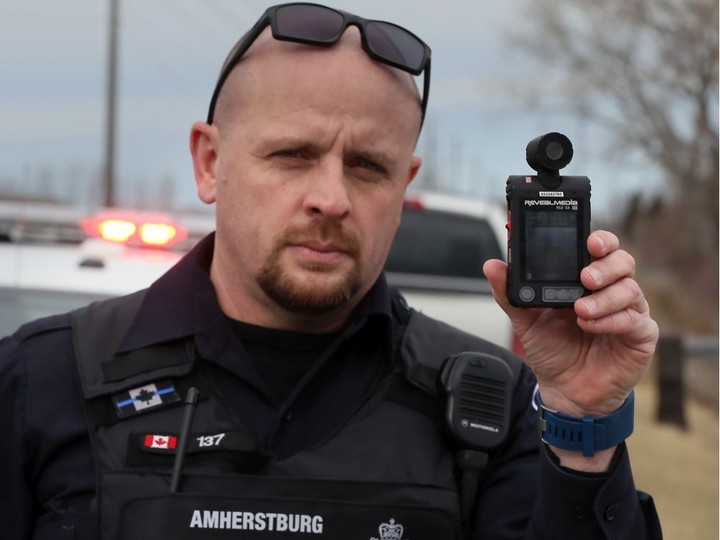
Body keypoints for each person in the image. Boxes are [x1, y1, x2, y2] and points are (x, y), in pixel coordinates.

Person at [0, 3, 662, 539]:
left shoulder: (492, 407)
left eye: (368, 167)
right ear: (209, 162)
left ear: (404, 186)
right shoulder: (42, 381)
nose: (332, 197)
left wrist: (582, 423)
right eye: (293, 154)